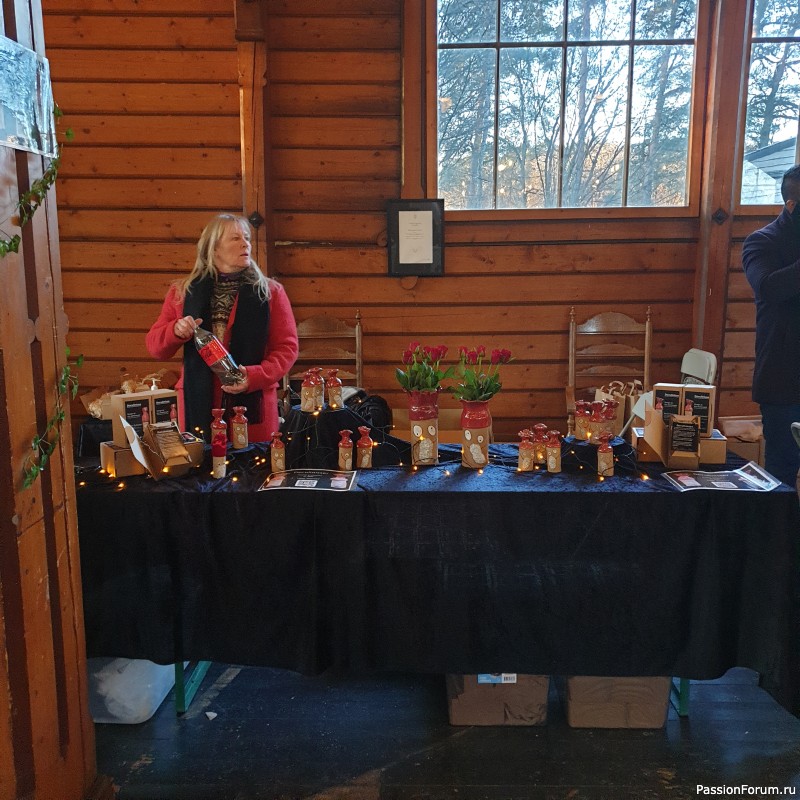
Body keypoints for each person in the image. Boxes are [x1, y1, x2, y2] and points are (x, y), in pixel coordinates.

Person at [146, 213, 298, 443]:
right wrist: (175, 331)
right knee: (201, 465)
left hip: (252, 406)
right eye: (236, 238)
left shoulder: (270, 292)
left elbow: (287, 348)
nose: (246, 244)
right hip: (198, 404)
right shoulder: (182, 292)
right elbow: (155, 348)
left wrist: (255, 376)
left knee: (252, 464)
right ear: (214, 248)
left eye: (247, 238)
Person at [742, 164, 800, 487]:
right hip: (784, 381)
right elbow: (767, 286)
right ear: (792, 205)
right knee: (782, 475)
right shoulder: (761, 242)